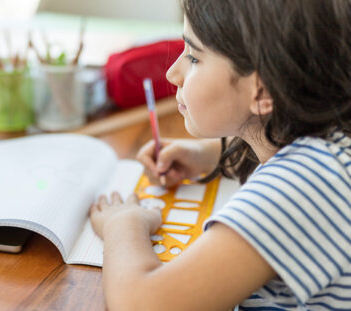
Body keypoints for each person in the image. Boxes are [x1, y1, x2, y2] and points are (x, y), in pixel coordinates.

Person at [89, 0, 351, 310]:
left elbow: (143, 303)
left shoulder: (304, 186)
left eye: (194, 57)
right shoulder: (330, 139)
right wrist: (210, 154)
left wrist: (124, 224)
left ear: (263, 91)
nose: (173, 73)